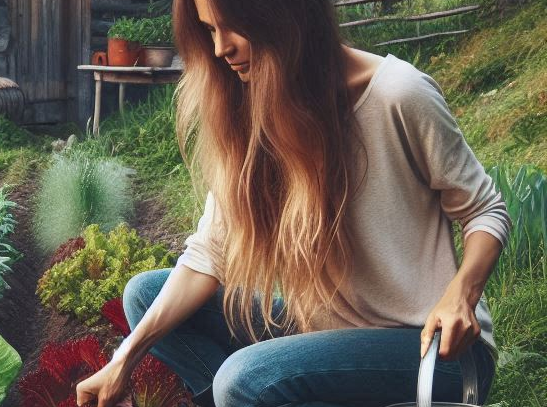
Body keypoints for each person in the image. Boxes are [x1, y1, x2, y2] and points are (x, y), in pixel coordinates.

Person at [74, 0, 511, 406]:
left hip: (428, 349)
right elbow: (208, 256)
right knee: (144, 296)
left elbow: (485, 209)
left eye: (235, 27)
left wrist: (461, 296)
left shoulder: (398, 95)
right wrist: (122, 360)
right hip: (326, 331)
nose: (221, 47)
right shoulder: (257, 112)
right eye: (209, 30)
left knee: (244, 378)